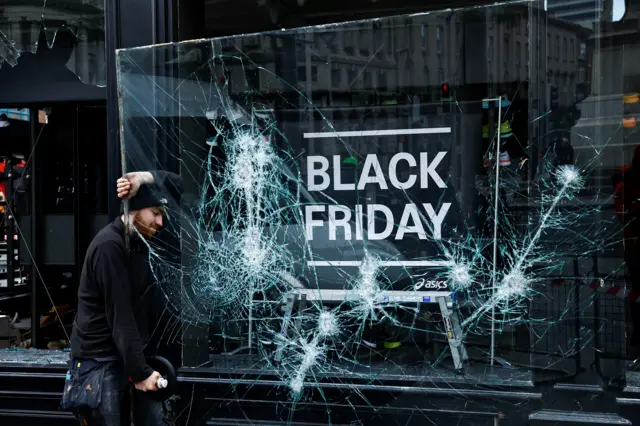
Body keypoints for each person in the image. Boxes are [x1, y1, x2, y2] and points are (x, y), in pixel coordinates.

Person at [66, 170, 182, 426]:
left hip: (126, 357)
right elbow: (121, 315)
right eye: (155, 213)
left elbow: (179, 182)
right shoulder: (110, 246)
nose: (161, 223)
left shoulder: (136, 241)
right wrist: (140, 372)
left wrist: (143, 176)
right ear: (135, 210)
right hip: (99, 363)